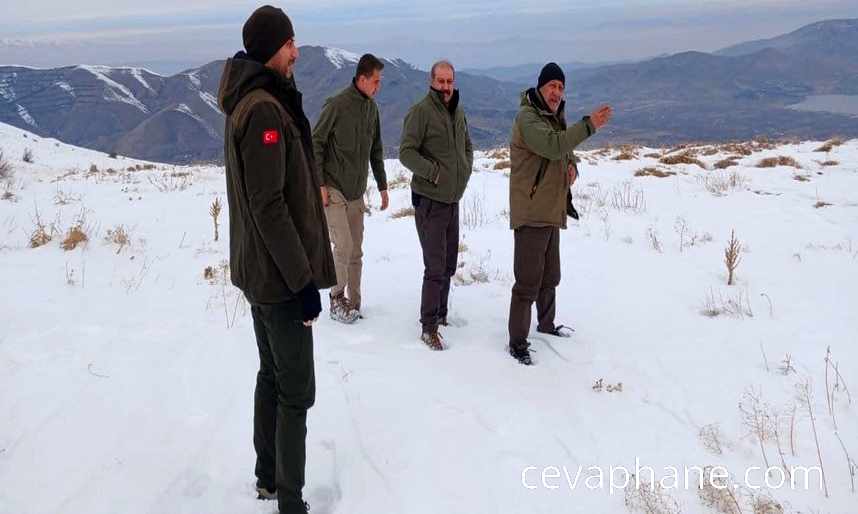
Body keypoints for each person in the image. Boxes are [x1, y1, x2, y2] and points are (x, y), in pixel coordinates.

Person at [217, 5, 336, 513]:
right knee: (296, 391)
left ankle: (268, 478)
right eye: (290, 43)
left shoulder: (253, 100)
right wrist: (302, 281)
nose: (297, 50)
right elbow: (268, 205)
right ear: (272, 48)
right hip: (279, 279)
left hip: (262, 274)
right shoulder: (264, 109)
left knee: (271, 374)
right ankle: (290, 499)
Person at [507, 62, 613, 365]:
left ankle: (546, 323)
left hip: (551, 210)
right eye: (552, 86)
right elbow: (553, 147)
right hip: (531, 211)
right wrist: (589, 124)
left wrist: (573, 166)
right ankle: (517, 342)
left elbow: (564, 153)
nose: (556, 92)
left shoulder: (553, 118)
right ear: (540, 88)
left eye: (561, 87)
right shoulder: (528, 118)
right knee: (527, 281)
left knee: (550, 275)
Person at [399, 60, 473, 351]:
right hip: (430, 201)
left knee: (449, 264)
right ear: (431, 82)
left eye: (449, 81)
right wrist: (434, 173)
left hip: (452, 199)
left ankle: (441, 315)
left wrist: (465, 167)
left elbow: (466, 144)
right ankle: (428, 327)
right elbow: (406, 152)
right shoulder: (421, 112)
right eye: (440, 81)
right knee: (434, 267)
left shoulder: (457, 110)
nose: (445, 86)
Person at [312, 53, 388, 323]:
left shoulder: (372, 110)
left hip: (357, 191)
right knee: (342, 244)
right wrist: (319, 184)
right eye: (376, 81)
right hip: (333, 188)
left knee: (356, 250)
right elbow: (316, 142)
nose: (379, 87)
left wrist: (382, 185)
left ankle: (353, 303)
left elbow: (376, 149)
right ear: (362, 78)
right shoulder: (337, 105)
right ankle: (335, 299)